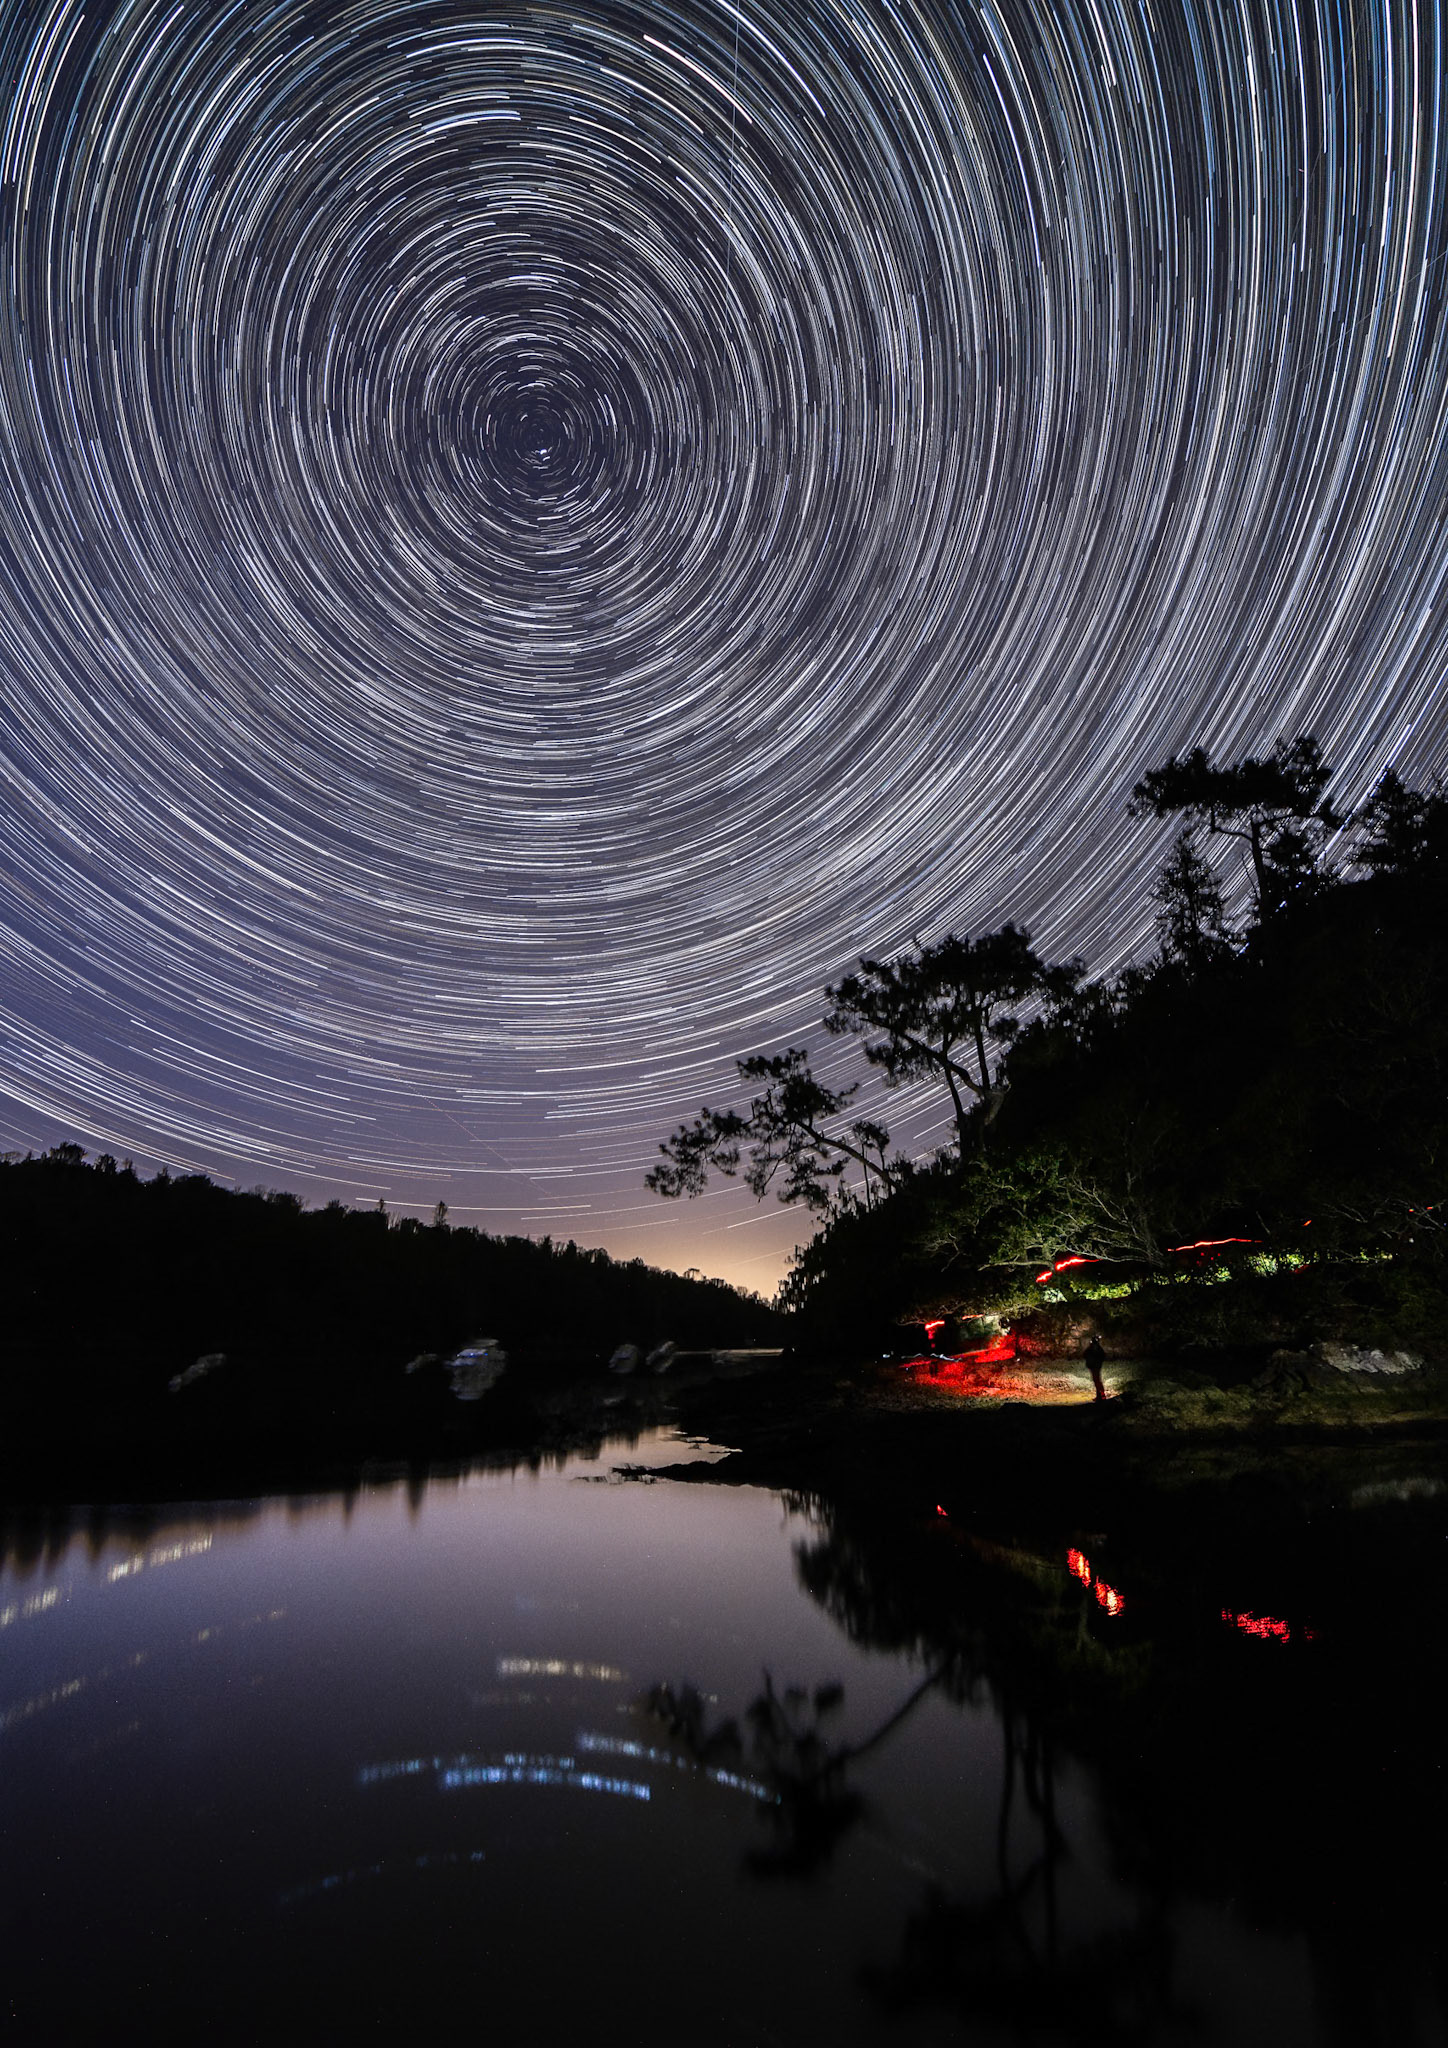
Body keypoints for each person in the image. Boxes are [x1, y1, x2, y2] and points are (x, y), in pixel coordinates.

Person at [1083, 1334, 1107, 1402]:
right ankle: (1099, 1396)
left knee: (1097, 1381)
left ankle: (1102, 1396)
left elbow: (1102, 1356)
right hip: (1093, 1367)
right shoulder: (1093, 1348)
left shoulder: (1097, 1349)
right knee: (1096, 1381)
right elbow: (1084, 1354)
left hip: (1095, 1367)